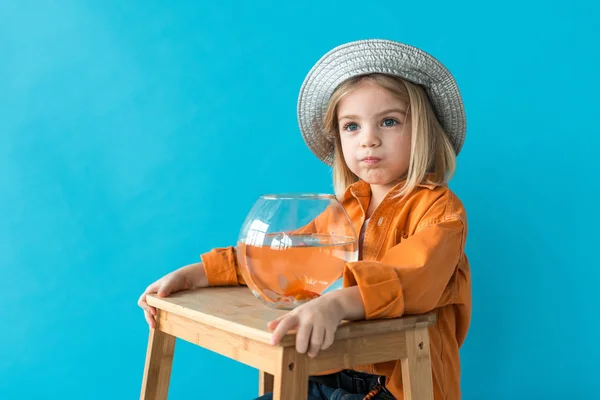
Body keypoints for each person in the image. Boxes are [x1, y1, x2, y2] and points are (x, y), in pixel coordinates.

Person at [138, 39, 472, 400]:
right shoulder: (342, 210)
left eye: (388, 122)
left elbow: (414, 277)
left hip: (397, 385)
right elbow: (282, 255)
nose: (369, 140)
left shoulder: (440, 211)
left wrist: (336, 302)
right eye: (352, 126)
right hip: (326, 374)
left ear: (422, 130)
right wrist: (196, 274)